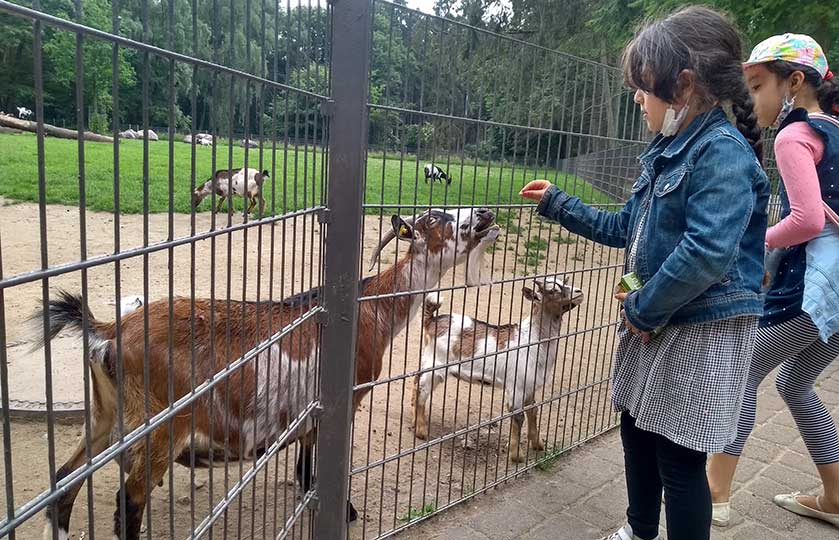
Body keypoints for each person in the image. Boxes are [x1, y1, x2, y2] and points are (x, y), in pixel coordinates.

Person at [520, 6, 769, 540]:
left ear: (683, 86)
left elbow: (707, 253)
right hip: (656, 321)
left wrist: (642, 306)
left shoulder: (721, 154)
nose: (637, 97)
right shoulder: (665, 151)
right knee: (635, 429)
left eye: (643, 87)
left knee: (679, 461)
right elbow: (625, 226)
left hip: (701, 330)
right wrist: (559, 204)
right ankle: (639, 529)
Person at [707, 33, 839, 529]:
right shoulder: (836, 131)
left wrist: (756, 240)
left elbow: (805, 219)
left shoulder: (793, 135)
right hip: (836, 297)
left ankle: (713, 496)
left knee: (742, 377)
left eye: (758, 85)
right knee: (796, 381)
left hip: (808, 291)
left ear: (795, 82)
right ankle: (835, 497)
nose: (751, 98)